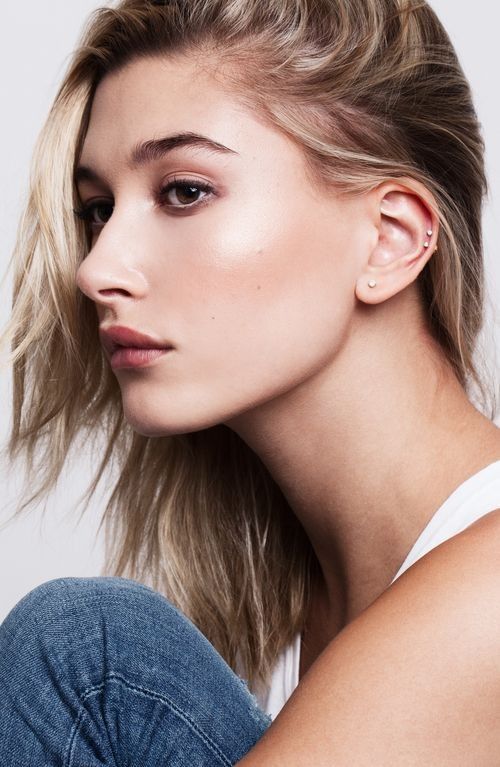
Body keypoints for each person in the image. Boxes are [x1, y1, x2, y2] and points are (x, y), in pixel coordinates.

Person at [1, 0, 500, 762]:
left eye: (183, 191)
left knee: (83, 649)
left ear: (390, 240)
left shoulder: (488, 597)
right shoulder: (281, 618)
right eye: (97, 210)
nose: (96, 269)